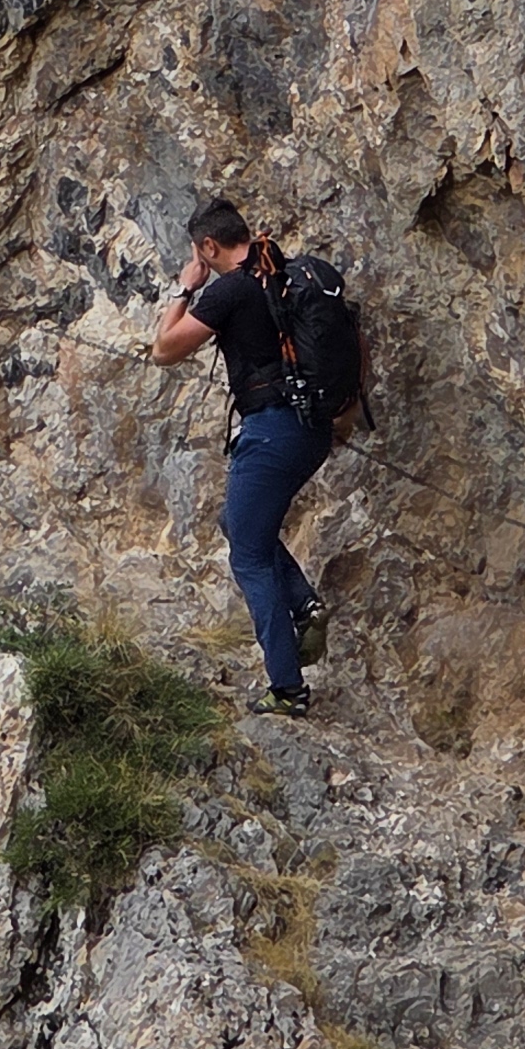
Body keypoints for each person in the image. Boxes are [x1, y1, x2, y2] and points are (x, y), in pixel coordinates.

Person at [153, 193, 330, 715]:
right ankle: (304, 603)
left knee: (249, 557)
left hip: (271, 430)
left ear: (208, 246)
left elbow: (164, 349)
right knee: (239, 522)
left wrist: (186, 286)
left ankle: (288, 689)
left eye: (200, 253)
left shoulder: (229, 288)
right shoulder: (286, 274)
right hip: (313, 429)